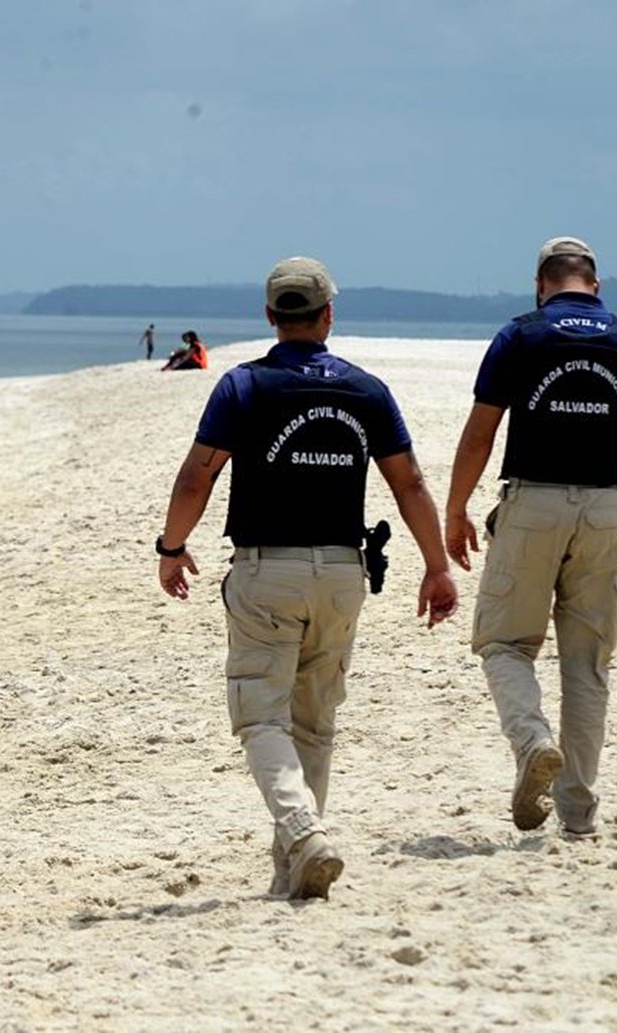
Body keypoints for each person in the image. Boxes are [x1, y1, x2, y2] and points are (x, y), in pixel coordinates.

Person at [157, 257, 457, 900]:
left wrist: (172, 546)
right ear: (327, 316)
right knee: (315, 723)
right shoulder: (365, 390)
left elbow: (196, 476)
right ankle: (292, 869)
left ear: (270, 316)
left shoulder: (244, 386)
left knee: (261, 719)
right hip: (344, 572)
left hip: (269, 570)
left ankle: (303, 833)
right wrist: (435, 565)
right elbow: (408, 482)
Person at [445, 236, 617, 838]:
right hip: (609, 507)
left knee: (505, 643)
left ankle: (533, 741)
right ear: (594, 285)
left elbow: (479, 435)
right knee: (588, 664)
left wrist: (457, 507)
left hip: (535, 500)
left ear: (540, 284)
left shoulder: (522, 333)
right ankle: (578, 814)